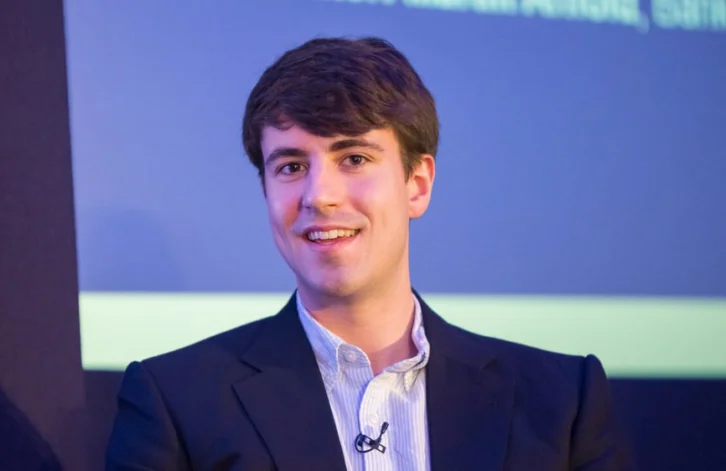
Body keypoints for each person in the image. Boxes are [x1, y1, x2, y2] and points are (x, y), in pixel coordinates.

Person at [106, 36, 635, 471]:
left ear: (417, 184)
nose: (319, 195)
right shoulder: (176, 403)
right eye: (291, 167)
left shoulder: (560, 402)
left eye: (354, 158)